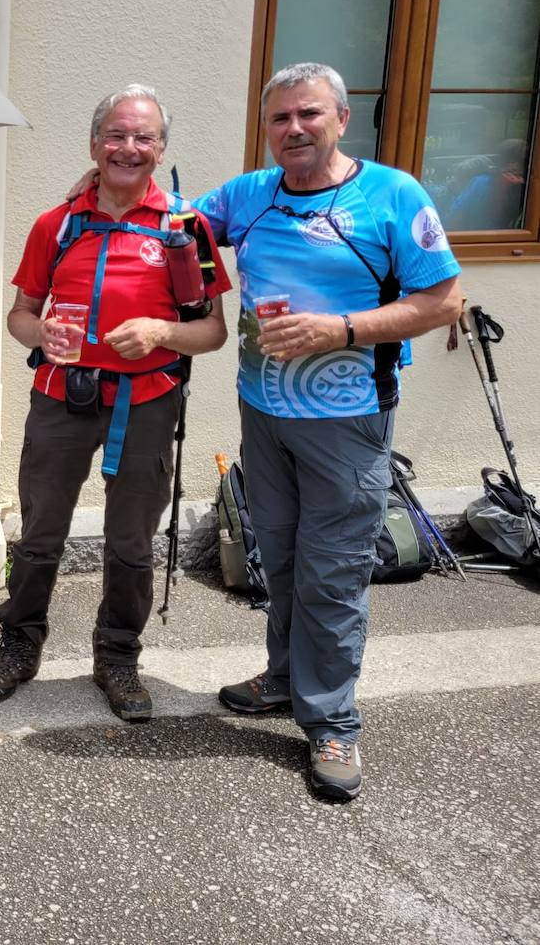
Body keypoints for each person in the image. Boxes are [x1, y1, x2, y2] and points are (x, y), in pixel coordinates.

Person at [192, 62, 462, 801]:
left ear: (342, 118)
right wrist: (100, 189)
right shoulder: (249, 194)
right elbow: (173, 224)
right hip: (262, 413)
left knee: (333, 573)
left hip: (347, 420)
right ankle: (284, 677)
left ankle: (333, 719)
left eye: (309, 114)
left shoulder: (392, 196)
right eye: (279, 118)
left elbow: (443, 300)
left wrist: (339, 327)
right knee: (277, 558)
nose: (293, 129)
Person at [0, 85, 231, 721]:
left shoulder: (185, 227)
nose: (128, 148)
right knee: (39, 534)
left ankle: (117, 656)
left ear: (161, 148)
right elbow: (19, 315)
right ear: (94, 144)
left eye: (143, 137)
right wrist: (42, 334)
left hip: (147, 402)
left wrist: (162, 332)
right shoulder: (54, 224)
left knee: (132, 540)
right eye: (116, 135)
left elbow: (214, 329)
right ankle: (19, 646)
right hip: (62, 396)